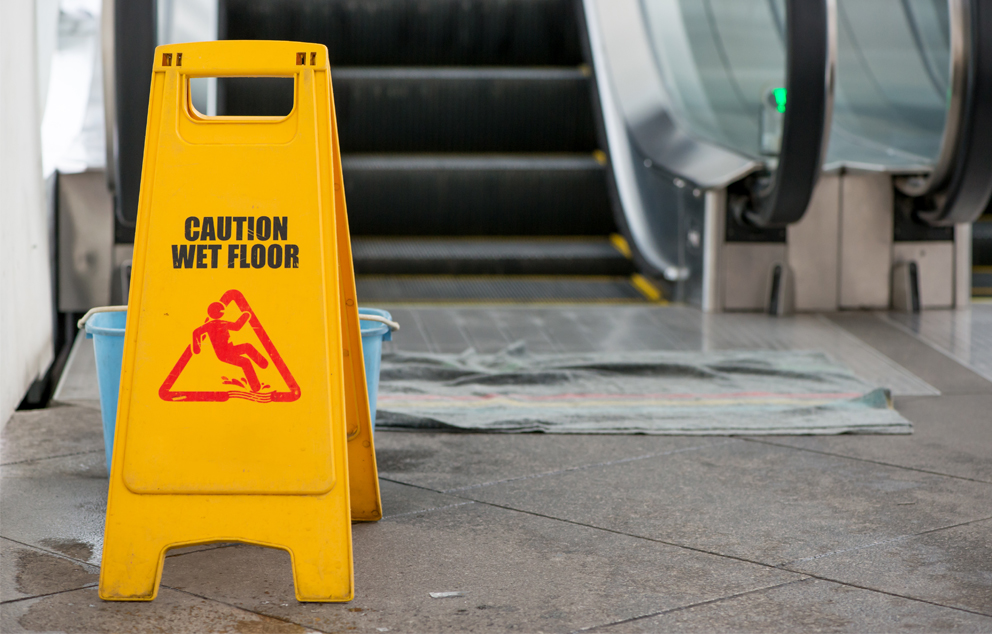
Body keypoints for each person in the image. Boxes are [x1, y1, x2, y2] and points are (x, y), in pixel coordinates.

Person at [192, 302, 269, 392]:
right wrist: (197, 348)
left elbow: (237, 327)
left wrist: (245, 316)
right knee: (245, 362)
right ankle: (255, 386)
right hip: (223, 355)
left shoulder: (221, 323)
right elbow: (196, 332)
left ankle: (263, 363)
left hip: (230, 349)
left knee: (247, 347)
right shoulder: (211, 325)